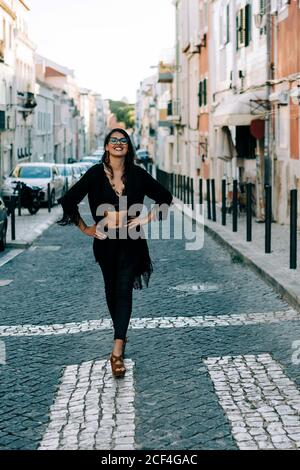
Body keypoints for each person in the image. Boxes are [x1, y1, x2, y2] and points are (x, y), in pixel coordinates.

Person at [57, 128, 173, 378]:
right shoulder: (95, 174)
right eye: (114, 140)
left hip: (132, 241)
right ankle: (121, 332)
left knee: (124, 289)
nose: (119, 144)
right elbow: (68, 200)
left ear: (128, 147)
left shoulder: (138, 175)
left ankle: (117, 351)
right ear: (107, 146)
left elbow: (165, 196)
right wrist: (86, 228)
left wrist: (146, 217)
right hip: (106, 242)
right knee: (111, 290)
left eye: (123, 141)